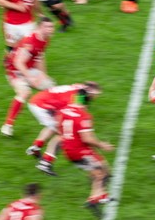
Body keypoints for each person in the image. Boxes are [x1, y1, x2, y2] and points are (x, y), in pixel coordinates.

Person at [37, 89, 114, 218]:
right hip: (80, 151)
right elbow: (87, 139)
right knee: (101, 172)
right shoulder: (83, 116)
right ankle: (94, 199)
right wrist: (102, 145)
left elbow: (59, 129)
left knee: (102, 167)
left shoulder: (63, 110)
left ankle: (100, 194)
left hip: (69, 149)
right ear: (87, 102)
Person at [26, 82, 101, 174]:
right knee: (64, 134)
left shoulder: (79, 90)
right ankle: (45, 163)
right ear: (89, 92)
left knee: (53, 126)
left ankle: (36, 147)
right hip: (43, 106)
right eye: (95, 95)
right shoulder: (75, 97)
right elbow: (73, 111)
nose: (96, 97)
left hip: (39, 101)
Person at [0, 17, 56, 137]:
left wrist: (43, 75)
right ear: (40, 27)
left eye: (52, 27)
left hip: (29, 69)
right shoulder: (31, 42)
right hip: (15, 71)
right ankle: (8, 125)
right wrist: (30, 78)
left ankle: (52, 117)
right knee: (25, 93)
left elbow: (39, 57)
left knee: (50, 87)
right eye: (48, 27)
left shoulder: (45, 39)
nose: (51, 29)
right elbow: (18, 62)